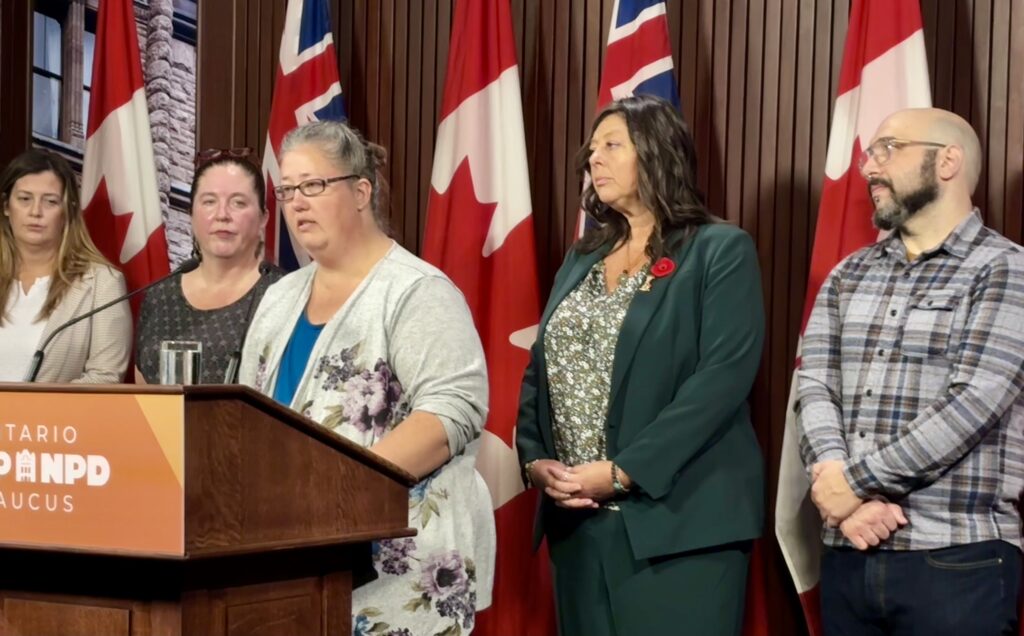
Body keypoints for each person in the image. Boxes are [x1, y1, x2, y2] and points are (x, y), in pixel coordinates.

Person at [515, 94, 765, 635]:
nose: (593, 160)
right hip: (578, 525)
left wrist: (624, 472)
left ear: (656, 154)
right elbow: (542, 367)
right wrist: (535, 460)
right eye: (591, 150)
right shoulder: (582, 257)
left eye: (611, 146)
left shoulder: (719, 250)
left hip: (678, 526)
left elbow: (722, 380)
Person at [238, 120, 494, 635]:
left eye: (313, 185)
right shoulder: (278, 297)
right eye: (287, 190)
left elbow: (452, 410)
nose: (297, 202)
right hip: (293, 558)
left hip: (401, 568)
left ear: (361, 191)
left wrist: (338, 492)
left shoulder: (417, 291)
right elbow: (245, 417)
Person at [797, 107, 1024, 635]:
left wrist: (849, 484)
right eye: (869, 154)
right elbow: (813, 386)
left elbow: (972, 404)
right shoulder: (849, 273)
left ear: (947, 161)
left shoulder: (1005, 268)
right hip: (848, 552)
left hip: (956, 558)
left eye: (888, 149)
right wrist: (844, 501)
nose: (870, 168)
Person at [135, 148, 283, 384]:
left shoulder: (283, 294)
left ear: (263, 218)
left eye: (238, 203)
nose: (222, 214)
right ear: (191, 214)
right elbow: (142, 384)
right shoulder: (159, 296)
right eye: (209, 202)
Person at [0, 149, 130, 383]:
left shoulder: (103, 283)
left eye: (50, 201)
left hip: (54, 420)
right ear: (6, 206)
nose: (35, 212)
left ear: (67, 211)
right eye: (25, 199)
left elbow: (104, 377)